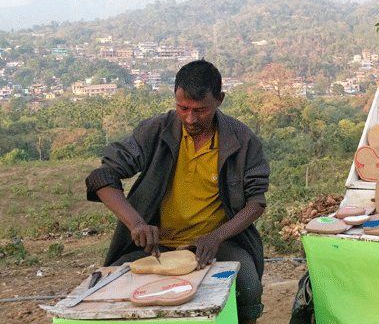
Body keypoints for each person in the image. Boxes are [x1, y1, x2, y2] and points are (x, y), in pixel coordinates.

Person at [85, 60, 268, 323]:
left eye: (200, 110)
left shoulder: (242, 140)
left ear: (220, 100)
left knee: (249, 286)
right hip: (155, 247)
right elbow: (103, 177)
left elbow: (256, 203)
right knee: (111, 288)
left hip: (217, 244)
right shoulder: (155, 132)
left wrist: (217, 236)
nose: (190, 119)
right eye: (183, 108)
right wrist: (137, 223)